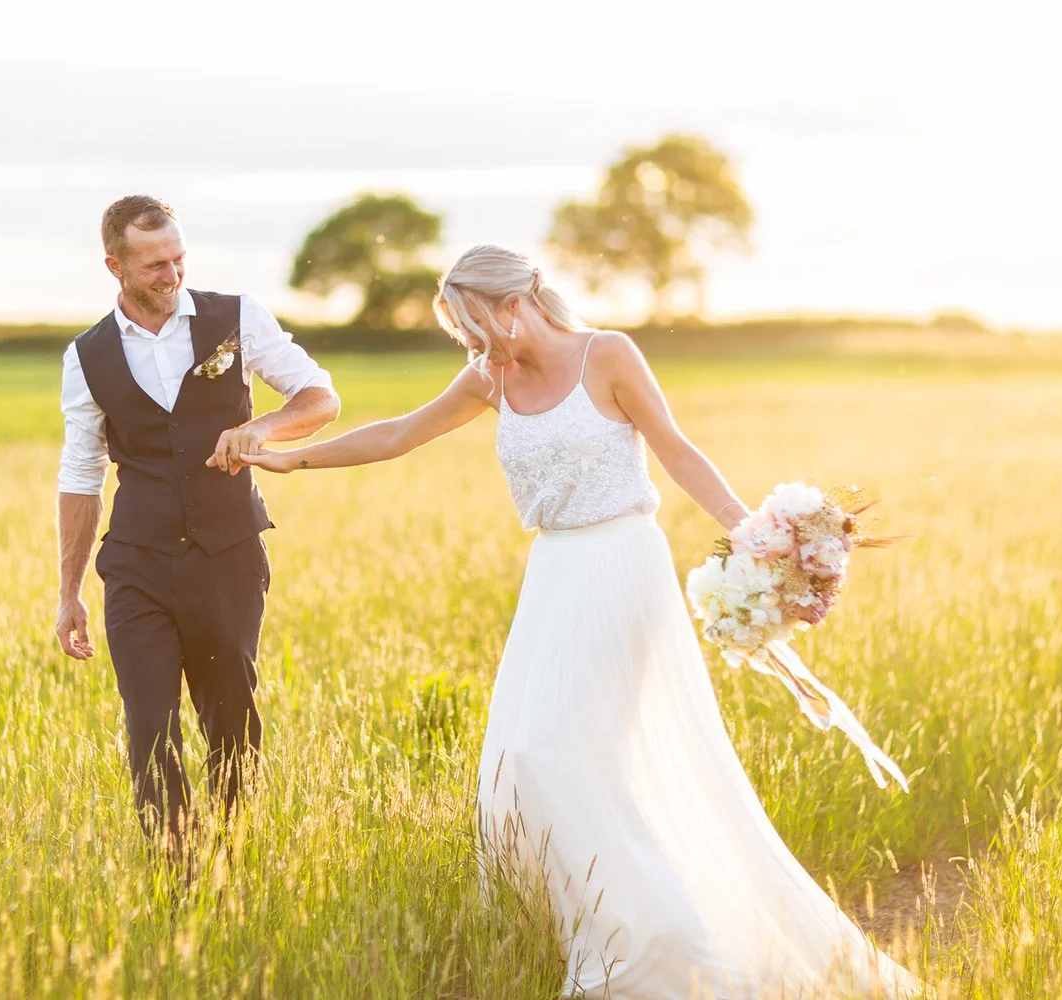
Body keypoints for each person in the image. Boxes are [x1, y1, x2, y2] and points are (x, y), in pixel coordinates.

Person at [232, 244, 922, 998]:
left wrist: (754, 536)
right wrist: (290, 460)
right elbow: (399, 433)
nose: (472, 347)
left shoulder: (608, 356)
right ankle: (611, 928)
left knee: (547, 751)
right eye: (461, 336)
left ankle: (663, 940)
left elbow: (677, 450)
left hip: (623, 565)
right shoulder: (490, 377)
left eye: (475, 328)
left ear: (513, 305)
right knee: (523, 765)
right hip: (554, 574)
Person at [55, 195, 339, 859]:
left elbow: (321, 397)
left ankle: (232, 863)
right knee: (149, 725)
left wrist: (257, 429)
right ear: (115, 266)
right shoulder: (86, 356)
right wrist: (69, 591)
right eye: (154, 263)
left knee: (231, 718)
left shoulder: (236, 318)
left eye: (178, 257)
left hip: (228, 554)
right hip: (136, 560)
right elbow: (80, 475)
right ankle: (174, 878)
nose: (171, 273)